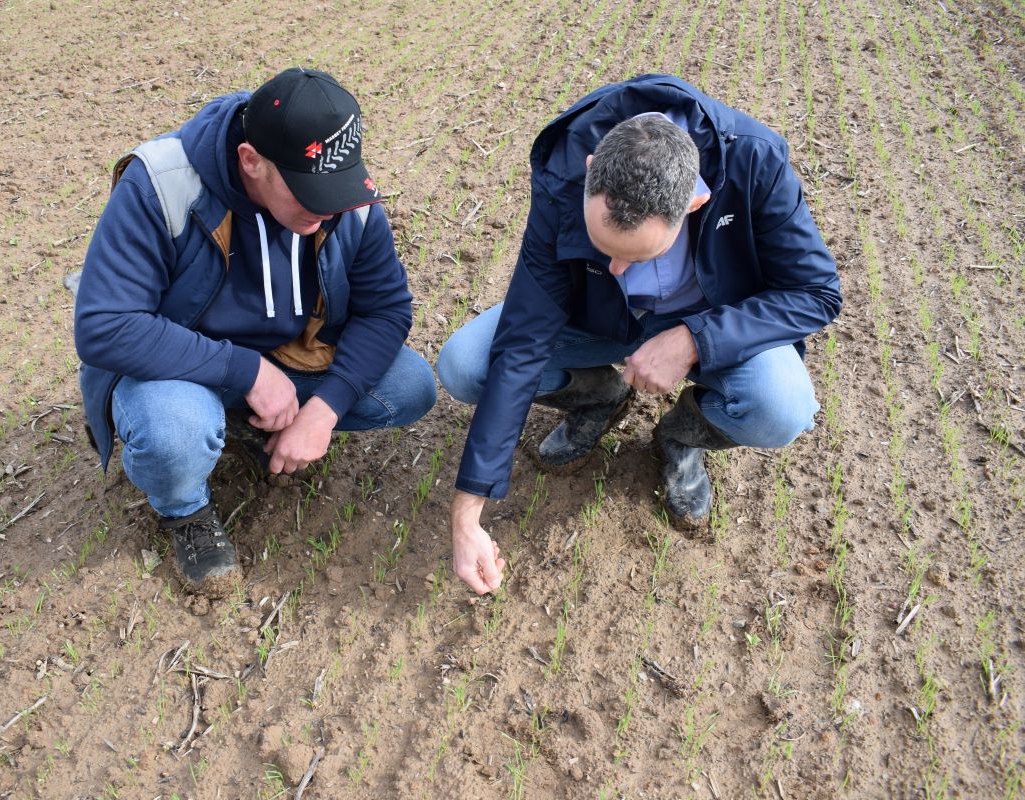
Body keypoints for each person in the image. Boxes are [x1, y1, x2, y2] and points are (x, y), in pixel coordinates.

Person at [436, 74, 841, 595]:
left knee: (781, 407)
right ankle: (600, 396)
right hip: (600, 322)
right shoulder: (565, 172)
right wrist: (466, 515)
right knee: (468, 364)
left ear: (694, 204)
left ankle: (682, 434)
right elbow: (524, 338)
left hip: (709, 320)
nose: (616, 267)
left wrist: (696, 338)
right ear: (589, 174)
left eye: (639, 254)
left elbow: (815, 292)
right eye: (604, 245)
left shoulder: (753, 162)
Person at [74, 68, 436, 597]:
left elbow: (386, 311)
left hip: (292, 358)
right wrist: (244, 371)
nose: (329, 207)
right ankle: (184, 509)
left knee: (408, 386)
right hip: (180, 367)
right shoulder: (161, 184)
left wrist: (325, 409)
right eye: (310, 194)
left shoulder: (339, 191)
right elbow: (105, 326)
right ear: (251, 161)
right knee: (173, 434)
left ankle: (251, 425)